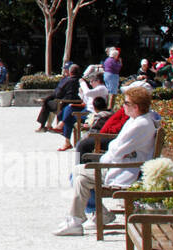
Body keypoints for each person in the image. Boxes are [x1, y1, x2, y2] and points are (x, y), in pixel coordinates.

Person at [54, 84, 159, 236]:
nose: (123, 106)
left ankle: (80, 219)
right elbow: (116, 147)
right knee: (78, 175)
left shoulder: (140, 124)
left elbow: (116, 150)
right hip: (120, 165)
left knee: (79, 176)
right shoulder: (139, 120)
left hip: (124, 169)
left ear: (135, 107)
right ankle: (82, 218)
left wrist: (103, 160)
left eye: (126, 103)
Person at [35, 62, 80, 133]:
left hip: (63, 104)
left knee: (47, 103)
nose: (64, 71)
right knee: (51, 102)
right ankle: (48, 126)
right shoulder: (82, 80)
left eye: (65, 69)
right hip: (78, 104)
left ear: (70, 71)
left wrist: (47, 98)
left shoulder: (66, 80)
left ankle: (42, 126)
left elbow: (57, 93)